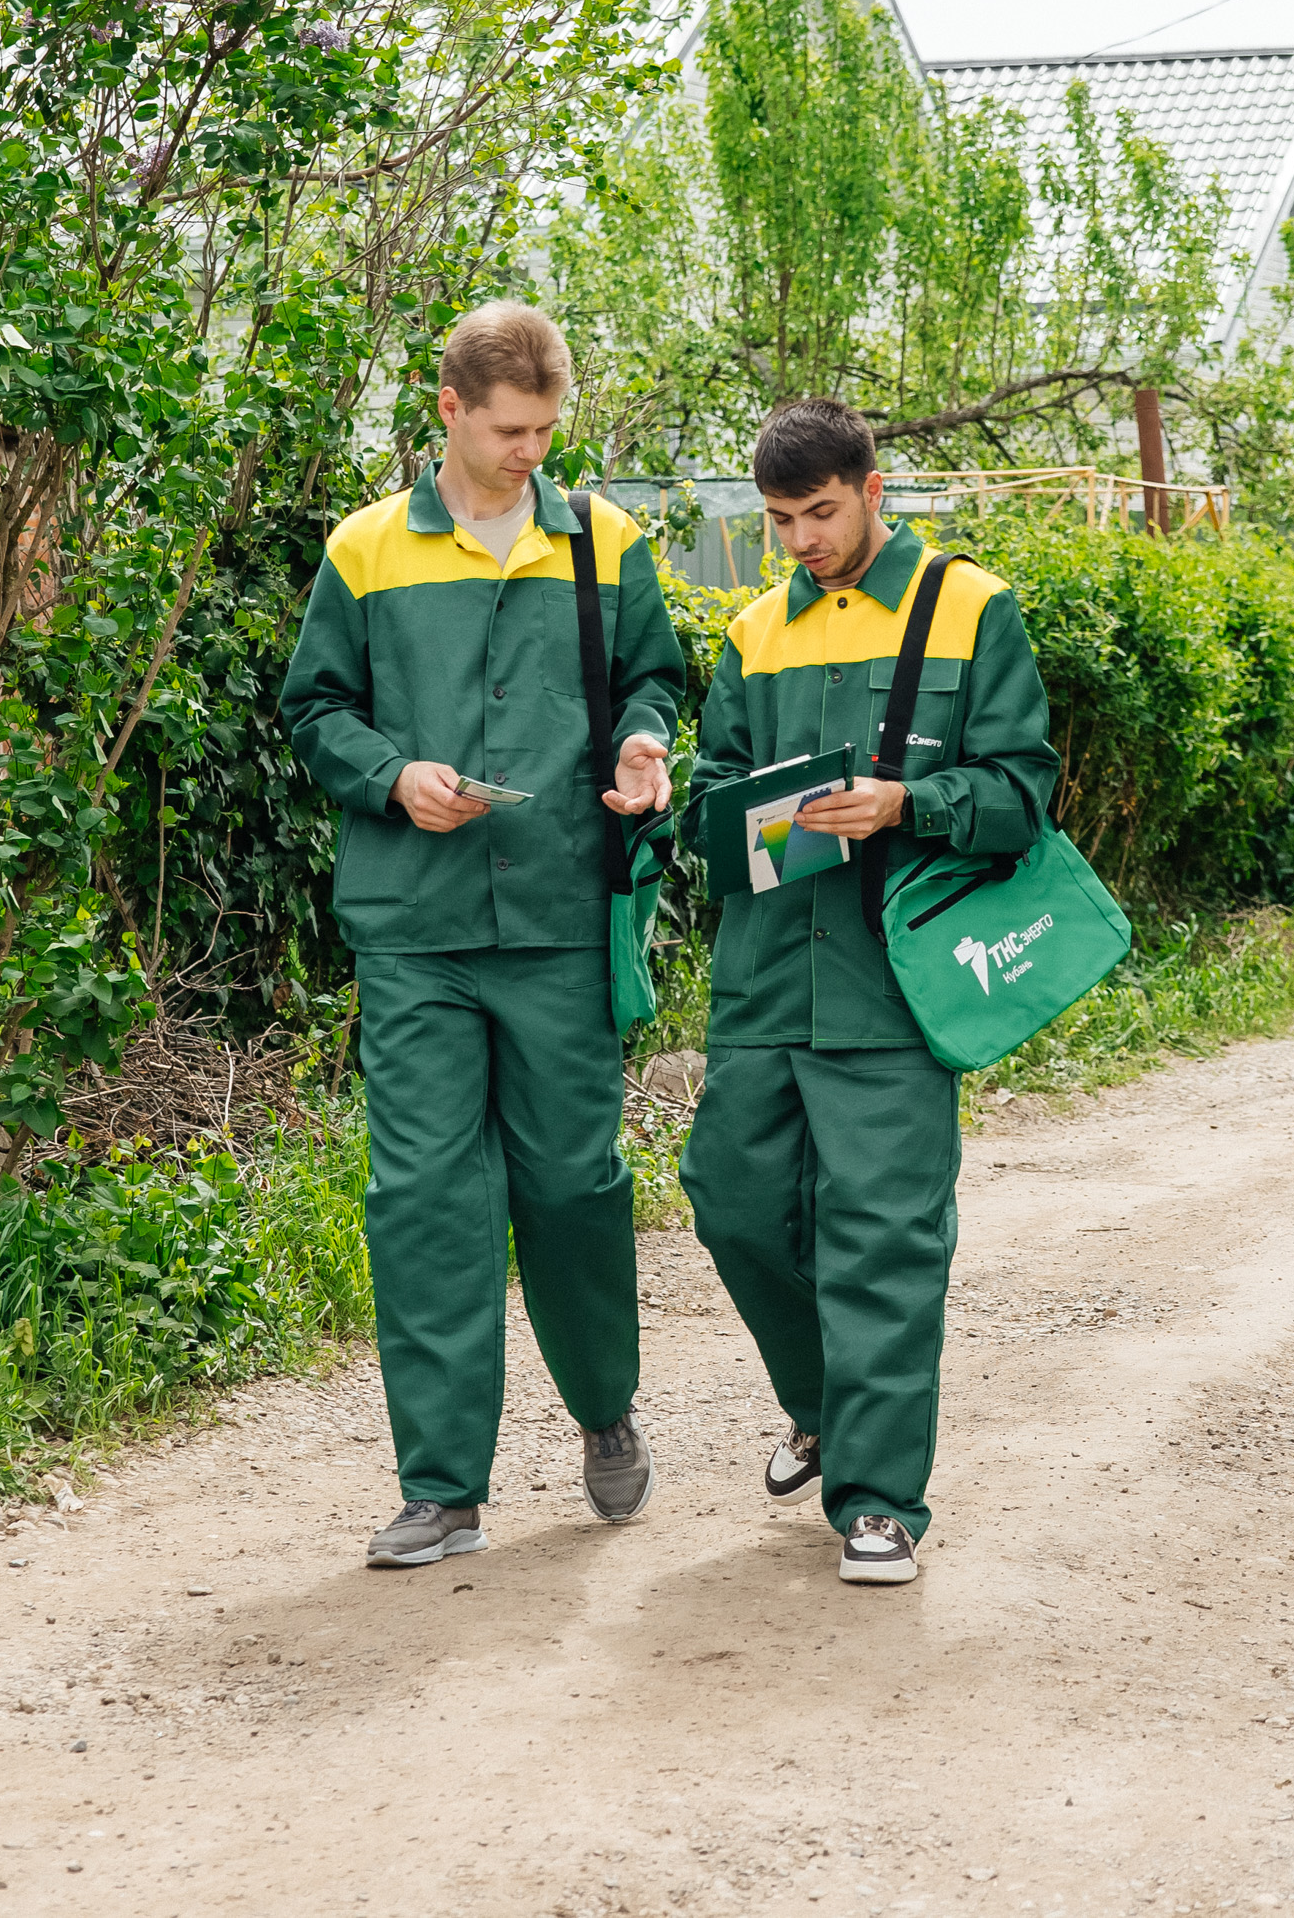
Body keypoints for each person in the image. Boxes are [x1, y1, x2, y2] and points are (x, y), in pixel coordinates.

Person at [280, 301, 684, 1568]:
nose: (530, 453)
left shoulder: (604, 543)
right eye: (510, 430)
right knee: (423, 1200)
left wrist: (644, 742)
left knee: (573, 1185)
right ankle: (442, 1490)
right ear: (448, 410)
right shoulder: (362, 550)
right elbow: (315, 710)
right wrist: (392, 775)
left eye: (547, 430)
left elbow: (656, 682)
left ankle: (606, 1411)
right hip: (415, 930)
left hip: (561, 919)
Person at [682, 396, 1056, 1584]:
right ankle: (824, 1406)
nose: (801, 540)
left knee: (882, 1238)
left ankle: (881, 1501)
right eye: (781, 520)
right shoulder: (749, 633)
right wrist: (740, 822)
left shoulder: (970, 610)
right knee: (731, 1203)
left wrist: (911, 804)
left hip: (894, 988)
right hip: (760, 979)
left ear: (873, 487)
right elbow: (711, 810)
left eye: (820, 513)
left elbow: (1022, 799)